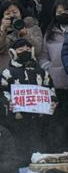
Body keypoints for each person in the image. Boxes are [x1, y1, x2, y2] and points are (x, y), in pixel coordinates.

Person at [0, 38, 57, 166]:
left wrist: (53, 100)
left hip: (39, 119)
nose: (24, 51)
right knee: (20, 146)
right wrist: (8, 102)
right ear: (13, 52)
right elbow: (2, 91)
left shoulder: (41, 72)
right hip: (17, 120)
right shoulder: (7, 72)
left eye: (27, 49)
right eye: (20, 49)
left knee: (39, 145)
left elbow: (50, 88)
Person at [39, 0, 68, 150]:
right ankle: (58, 151)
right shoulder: (49, 32)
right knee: (57, 121)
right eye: (59, 11)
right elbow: (42, 55)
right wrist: (49, 67)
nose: (63, 14)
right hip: (56, 84)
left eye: (66, 10)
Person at [0, 1, 43, 70]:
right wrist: (3, 30)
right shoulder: (2, 30)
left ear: (21, 13)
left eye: (14, 12)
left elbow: (37, 50)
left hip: (30, 70)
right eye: (7, 13)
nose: (12, 16)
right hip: (7, 72)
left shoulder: (32, 27)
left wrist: (25, 34)